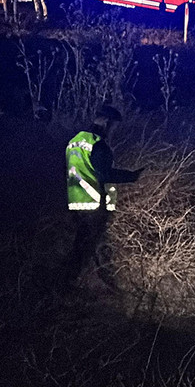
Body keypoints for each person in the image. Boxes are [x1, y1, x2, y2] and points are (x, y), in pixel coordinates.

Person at [65, 106, 142, 288]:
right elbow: (105, 175)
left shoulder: (75, 141)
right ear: (107, 123)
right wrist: (132, 176)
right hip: (93, 204)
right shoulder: (100, 146)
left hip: (75, 202)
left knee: (81, 248)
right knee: (100, 247)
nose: (114, 130)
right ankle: (109, 286)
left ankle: (70, 284)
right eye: (114, 126)